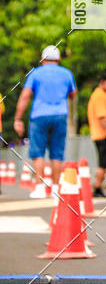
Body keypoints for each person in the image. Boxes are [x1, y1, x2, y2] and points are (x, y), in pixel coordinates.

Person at [13, 45, 76, 198]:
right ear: (58, 59)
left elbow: (25, 96)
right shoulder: (67, 73)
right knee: (57, 153)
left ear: (43, 59)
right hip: (60, 115)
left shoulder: (35, 73)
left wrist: (18, 118)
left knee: (38, 152)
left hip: (39, 116)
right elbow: (73, 94)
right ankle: (55, 188)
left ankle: (40, 187)